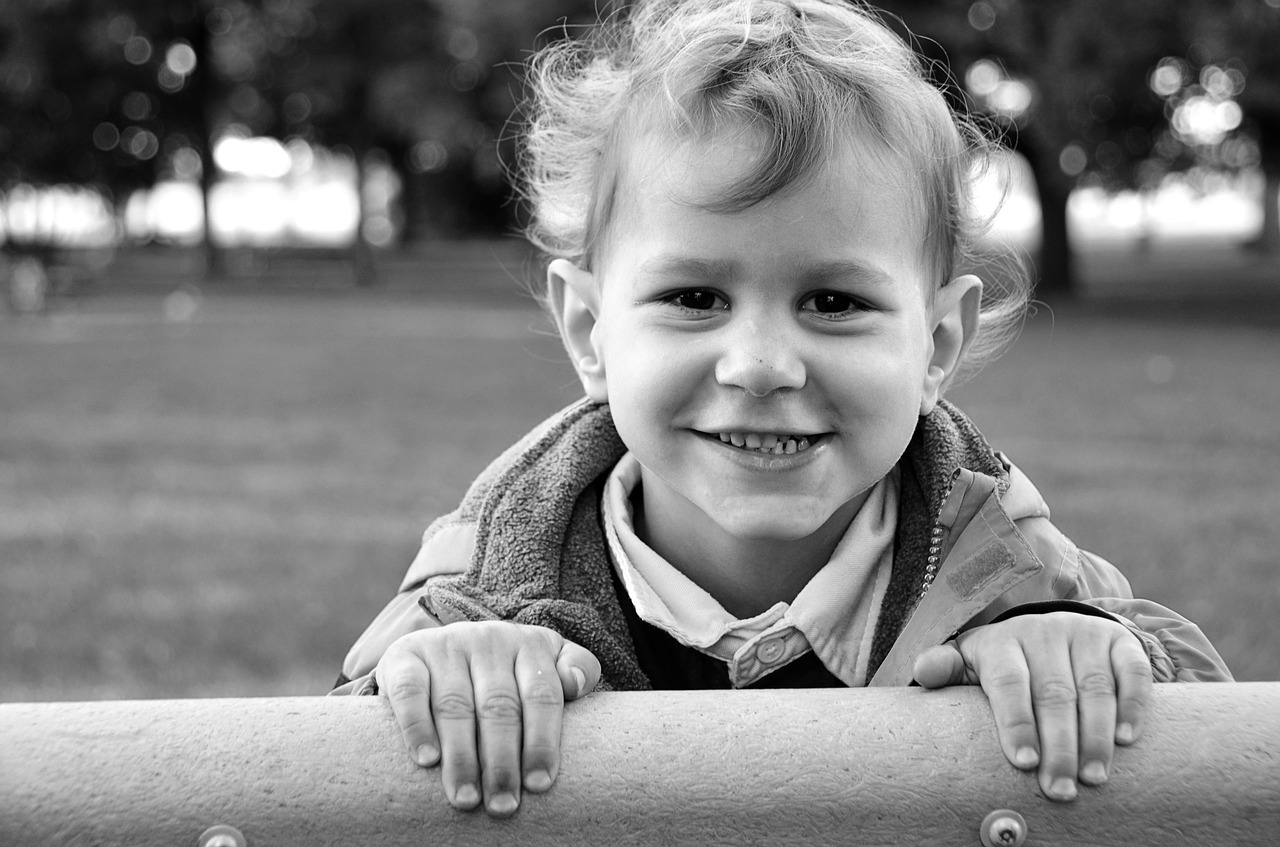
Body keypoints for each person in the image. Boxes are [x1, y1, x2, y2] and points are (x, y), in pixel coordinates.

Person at [332, 0, 1233, 818]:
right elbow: (307, 775)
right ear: (589, 329)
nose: (760, 365)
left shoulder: (1013, 575)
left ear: (938, 345)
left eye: (834, 302)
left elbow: (1229, 756)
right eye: (694, 297)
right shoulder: (485, 589)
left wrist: (1092, 662)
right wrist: (436, 684)